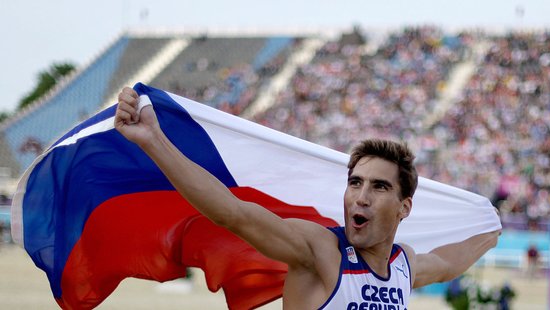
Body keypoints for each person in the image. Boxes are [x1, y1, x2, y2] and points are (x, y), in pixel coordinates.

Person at [115, 87, 500, 309]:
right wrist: (154, 141)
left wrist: (489, 232)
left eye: (379, 187)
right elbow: (234, 214)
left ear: (404, 208)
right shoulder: (320, 250)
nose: (361, 197)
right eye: (355, 183)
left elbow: (447, 264)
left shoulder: (404, 265)